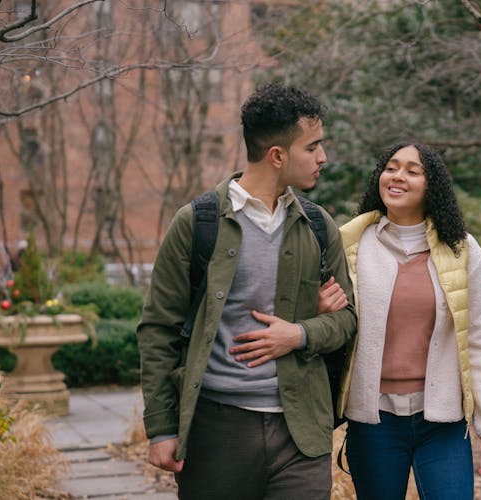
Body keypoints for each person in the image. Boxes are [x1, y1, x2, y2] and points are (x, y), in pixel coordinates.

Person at [136, 84, 357, 500]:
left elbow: (348, 319)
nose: (323, 158)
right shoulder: (197, 223)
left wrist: (300, 333)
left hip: (301, 432)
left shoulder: (318, 225)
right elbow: (158, 329)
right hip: (217, 431)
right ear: (277, 156)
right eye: (313, 147)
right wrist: (162, 427)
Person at [331, 142, 481, 499]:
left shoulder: (462, 250)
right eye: (391, 167)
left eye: (412, 171)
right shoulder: (350, 246)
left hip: (441, 421)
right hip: (373, 420)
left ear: (432, 186)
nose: (398, 176)